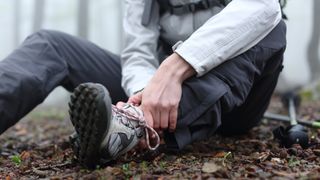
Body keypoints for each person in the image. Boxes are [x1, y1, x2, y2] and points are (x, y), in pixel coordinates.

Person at [0, 0, 286, 169]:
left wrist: (176, 67)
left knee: (273, 26)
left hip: (240, 99)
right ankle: (131, 120)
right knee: (51, 45)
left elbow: (263, 6)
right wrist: (143, 92)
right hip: (159, 91)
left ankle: (134, 128)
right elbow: (137, 51)